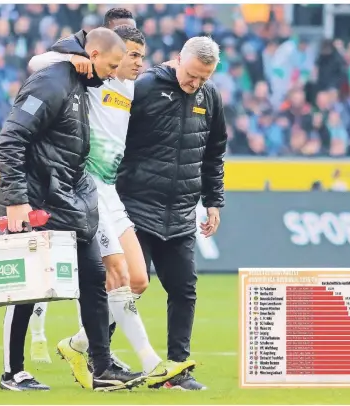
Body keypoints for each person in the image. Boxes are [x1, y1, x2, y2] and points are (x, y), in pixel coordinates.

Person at [28, 17, 196, 390]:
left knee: (137, 280)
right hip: (86, 186)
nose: (139, 62)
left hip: (111, 190)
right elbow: (36, 65)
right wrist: (72, 60)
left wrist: (178, 66)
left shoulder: (134, 86)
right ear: (112, 56)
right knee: (117, 275)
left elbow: (167, 73)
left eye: (142, 56)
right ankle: (152, 364)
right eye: (133, 56)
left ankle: (77, 344)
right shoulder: (90, 80)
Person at [0, 27, 143, 392]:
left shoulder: (79, 84)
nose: (111, 74)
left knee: (94, 280)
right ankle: (13, 373)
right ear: (91, 55)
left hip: (73, 200)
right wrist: (16, 200)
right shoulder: (52, 82)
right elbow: (10, 139)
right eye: (110, 65)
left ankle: (102, 369)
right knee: (28, 288)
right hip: (37, 202)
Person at [116, 36, 228, 390]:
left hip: (180, 211)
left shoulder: (210, 98)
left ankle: (178, 370)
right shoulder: (144, 86)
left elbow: (214, 153)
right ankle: (97, 358)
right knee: (129, 287)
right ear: (178, 59)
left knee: (184, 289)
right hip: (134, 206)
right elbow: (112, 138)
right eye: (192, 75)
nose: (195, 84)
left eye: (204, 78)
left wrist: (213, 201)